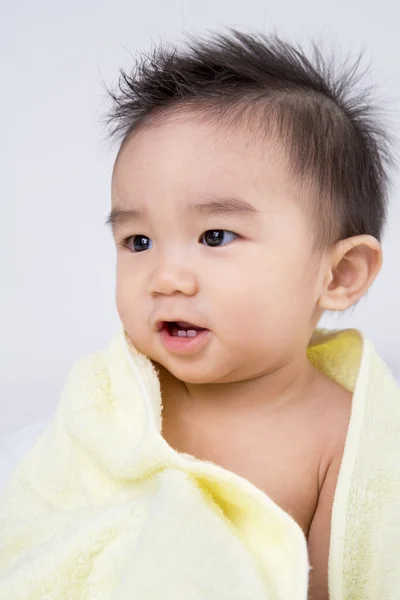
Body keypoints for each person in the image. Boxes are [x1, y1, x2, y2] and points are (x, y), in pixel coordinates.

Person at [1, 28, 399, 600]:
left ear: (337, 275)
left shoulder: (346, 436)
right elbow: (43, 525)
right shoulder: (117, 398)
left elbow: (350, 580)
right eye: (138, 242)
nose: (165, 277)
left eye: (215, 235)